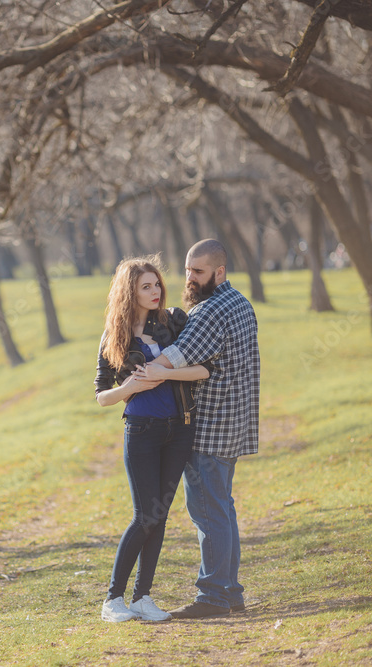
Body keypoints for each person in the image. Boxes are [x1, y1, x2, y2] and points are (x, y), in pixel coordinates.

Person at [140, 239, 260, 619]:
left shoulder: (210, 310)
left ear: (219, 272)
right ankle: (230, 593)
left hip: (210, 428)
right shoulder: (241, 303)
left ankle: (212, 596)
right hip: (234, 426)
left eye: (198, 271)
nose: (189, 278)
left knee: (208, 513)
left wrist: (138, 368)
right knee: (222, 509)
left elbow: (173, 359)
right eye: (188, 270)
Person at [94, 254, 211, 623]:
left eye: (157, 283)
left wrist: (165, 374)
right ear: (130, 292)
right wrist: (128, 387)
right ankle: (113, 600)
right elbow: (102, 396)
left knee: (159, 517)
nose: (155, 290)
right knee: (144, 515)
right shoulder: (114, 336)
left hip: (180, 429)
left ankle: (142, 598)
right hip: (141, 430)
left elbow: (204, 369)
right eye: (146, 286)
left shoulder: (174, 322)